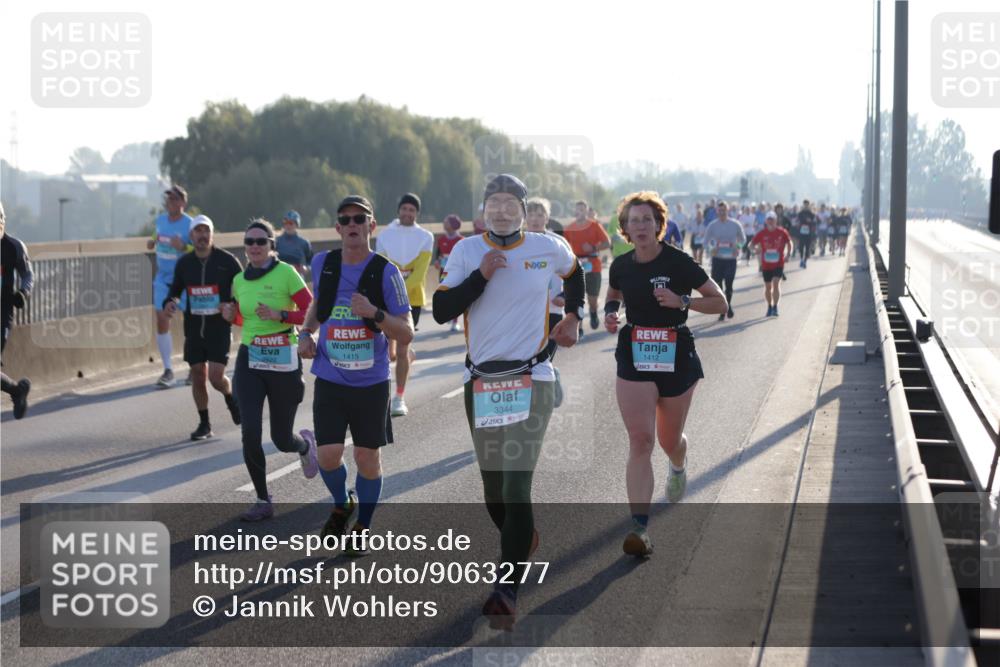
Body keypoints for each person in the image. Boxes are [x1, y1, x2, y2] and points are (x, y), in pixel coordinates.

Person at [433, 174, 585, 629]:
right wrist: (480, 277)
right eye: (493, 202)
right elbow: (441, 311)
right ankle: (521, 540)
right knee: (494, 492)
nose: (501, 210)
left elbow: (576, 273)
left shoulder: (547, 247)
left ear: (523, 208)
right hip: (481, 381)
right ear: (483, 210)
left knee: (517, 487)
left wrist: (574, 317)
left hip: (531, 376)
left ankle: (507, 589)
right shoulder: (466, 251)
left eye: (509, 202)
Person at [604, 191, 727, 556]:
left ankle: (678, 462)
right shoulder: (621, 265)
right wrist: (610, 313)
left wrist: (682, 300)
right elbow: (614, 292)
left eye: (647, 219)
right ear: (625, 228)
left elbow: (719, 302)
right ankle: (639, 529)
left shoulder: (679, 262)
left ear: (659, 224)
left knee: (668, 440)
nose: (640, 226)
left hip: (676, 353)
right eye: (633, 220)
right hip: (634, 352)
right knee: (641, 440)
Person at [298, 195, 413, 555]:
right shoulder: (324, 263)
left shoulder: (386, 272)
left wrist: (374, 313)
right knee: (329, 456)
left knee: (367, 457)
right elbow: (319, 304)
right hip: (330, 377)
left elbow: (406, 332)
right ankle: (341, 503)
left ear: (371, 226)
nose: (352, 225)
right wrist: (306, 332)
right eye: (345, 219)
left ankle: (362, 525)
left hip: (371, 383)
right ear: (337, 227)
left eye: (359, 219)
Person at [222, 219, 318, 521]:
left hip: (283, 358)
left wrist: (281, 315)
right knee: (250, 432)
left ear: (271, 245)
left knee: (281, 438)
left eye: (260, 241)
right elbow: (246, 318)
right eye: (249, 242)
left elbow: (311, 311)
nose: (254, 247)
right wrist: (231, 316)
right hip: (250, 359)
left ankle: (304, 446)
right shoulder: (239, 280)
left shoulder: (286, 273)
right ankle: (263, 500)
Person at [163, 214, 243, 439]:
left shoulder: (227, 261)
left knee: (216, 378)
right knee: (198, 374)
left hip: (219, 328)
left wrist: (232, 305)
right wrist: (170, 302)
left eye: (206, 230)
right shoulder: (184, 263)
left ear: (212, 234)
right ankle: (204, 423)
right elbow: (174, 291)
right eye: (198, 231)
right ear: (191, 235)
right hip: (194, 328)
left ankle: (230, 398)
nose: (203, 235)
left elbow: (244, 288)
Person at [375, 193, 434, 417]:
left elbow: (419, 274)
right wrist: (390, 293)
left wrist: (399, 293)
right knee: (389, 352)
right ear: (399, 210)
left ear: (417, 213)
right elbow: (381, 266)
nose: (408, 213)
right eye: (405, 209)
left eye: (412, 210)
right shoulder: (384, 235)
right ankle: (407, 357)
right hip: (385, 297)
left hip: (412, 299)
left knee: (400, 349)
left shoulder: (426, 237)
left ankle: (399, 397)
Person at [146, 185, 193, 388]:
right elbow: (155, 236)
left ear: (183, 202)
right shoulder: (161, 220)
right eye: (168, 199)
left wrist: (184, 247)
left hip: (185, 281)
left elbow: (200, 249)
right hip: (163, 280)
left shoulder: (190, 224)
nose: (170, 202)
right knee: (161, 318)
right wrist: (151, 242)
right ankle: (168, 370)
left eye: (174, 199)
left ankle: (194, 367)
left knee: (190, 324)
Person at [526, 196, 571, 407]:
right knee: (527, 359)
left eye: (540, 214)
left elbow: (574, 274)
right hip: (524, 312)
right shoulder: (517, 243)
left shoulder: (558, 243)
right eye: (531, 214)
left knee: (544, 358)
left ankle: (551, 377)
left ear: (547, 217)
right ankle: (535, 396)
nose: (535, 219)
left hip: (552, 310)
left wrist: (565, 296)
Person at [0, 202, 34, 419]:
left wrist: (23, 292)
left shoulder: (14, 247)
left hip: (2, 314)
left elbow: (27, 274)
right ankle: (16, 391)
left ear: (3, 221)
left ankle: (16, 391)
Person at [563, 200, 611, 332]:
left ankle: (593, 312)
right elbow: (563, 248)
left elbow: (607, 243)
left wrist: (593, 247)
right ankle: (578, 328)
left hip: (593, 264)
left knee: (592, 299)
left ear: (586, 210)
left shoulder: (595, 225)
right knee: (577, 299)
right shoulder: (569, 228)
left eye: (582, 209)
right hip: (576, 266)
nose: (580, 212)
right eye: (577, 209)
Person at [702, 201, 745, 321]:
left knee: (729, 285)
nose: (722, 212)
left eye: (724, 210)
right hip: (717, 259)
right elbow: (705, 242)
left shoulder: (735, 224)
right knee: (718, 286)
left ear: (728, 210)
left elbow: (743, 239)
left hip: (731, 259)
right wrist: (711, 249)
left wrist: (738, 247)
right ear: (717, 211)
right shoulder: (712, 225)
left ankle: (726, 307)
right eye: (720, 210)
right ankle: (725, 309)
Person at [750, 211, 794, 317]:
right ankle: (769, 306)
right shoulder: (762, 233)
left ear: (776, 221)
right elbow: (751, 244)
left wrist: (788, 254)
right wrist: (754, 250)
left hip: (778, 263)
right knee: (768, 287)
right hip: (766, 265)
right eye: (768, 220)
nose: (770, 222)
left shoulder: (782, 232)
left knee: (775, 283)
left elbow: (789, 243)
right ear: (766, 221)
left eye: (772, 220)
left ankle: (775, 307)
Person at [434, 214, 465, 332]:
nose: (444, 224)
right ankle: (449, 314)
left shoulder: (461, 240)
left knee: (455, 295)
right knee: (444, 293)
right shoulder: (441, 239)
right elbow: (438, 254)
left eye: (446, 222)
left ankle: (455, 322)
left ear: (453, 225)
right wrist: (437, 261)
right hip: (444, 272)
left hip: (457, 271)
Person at [275, 210, 314, 278]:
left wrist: (306, 268)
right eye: (286, 223)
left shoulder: (304, 243)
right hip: (279, 277)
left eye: (291, 223)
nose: (288, 226)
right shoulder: (276, 241)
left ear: (297, 224)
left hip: (297, 278)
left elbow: (311, 261)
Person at [796, 200, 817, 268]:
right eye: (805, 204)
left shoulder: (811, 214)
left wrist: (810, 221)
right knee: (801, 247)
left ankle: (805, 261)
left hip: (809, 233)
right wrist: (806, 220)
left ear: (808, 205)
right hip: (801, 233)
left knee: (807, 248)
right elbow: (799, 220)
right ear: (803, 205)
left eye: (807, 205)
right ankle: (801, 259)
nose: (806, 206)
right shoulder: (800, 213)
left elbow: (815, 222)